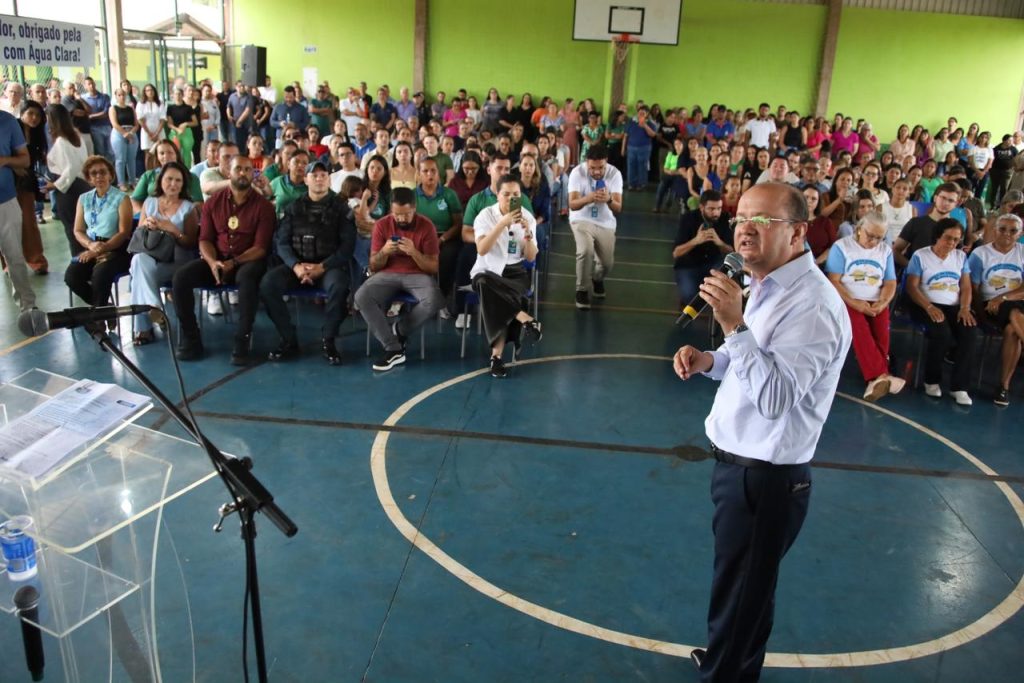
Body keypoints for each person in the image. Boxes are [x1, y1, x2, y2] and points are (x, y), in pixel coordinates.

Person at [673, 182, 851, 683]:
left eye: (763, 220)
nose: (745, 229)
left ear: (797, 233)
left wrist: (733, 325)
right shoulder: (766, 284)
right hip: (739, 468)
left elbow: (774, 398)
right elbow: (750, 359)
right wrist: (710, 360)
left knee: (743, 591)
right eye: (741, 218)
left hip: (766, 478)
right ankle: (728, 660)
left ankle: (726, 674)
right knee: (743, 587)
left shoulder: (813, 306)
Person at [172, 154, 275, 364]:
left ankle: (242, 340)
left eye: (248, 170)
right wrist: (212, 263)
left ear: (253, 175)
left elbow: (261, 248)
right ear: (229, 172)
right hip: (217, 259)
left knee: (248, 279)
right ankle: (191, 338)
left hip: (248, 261)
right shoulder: (213, 203)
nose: (243, 173)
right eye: (238, 169)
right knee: (181, 278)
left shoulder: (263, 206)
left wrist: (233, 263)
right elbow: (204, 239)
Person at [260, 160, 355, 364]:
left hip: (328, 267)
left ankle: (329, 340)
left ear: (329, 180)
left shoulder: (341, 208)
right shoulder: (293, 207)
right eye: (314, 175)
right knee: (268, 284)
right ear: (306, 180)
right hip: (297, 267)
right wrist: (296, 266)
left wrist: (322, 267)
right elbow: (282, 243)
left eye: (323, 175)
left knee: (340, 286)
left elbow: (347, 247)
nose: (319, 179)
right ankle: (288, 339)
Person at [354, 186, 444, 372]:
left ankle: (400, 330)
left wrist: (414, 252)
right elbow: (373, 266)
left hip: (418, 274)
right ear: (391, 210)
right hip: (387, 273)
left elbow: (433, 267)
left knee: (434, 300)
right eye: (397, 214)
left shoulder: (427, 226)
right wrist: (384, 252)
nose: (401, 218)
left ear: (414, 208)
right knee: (361, 296)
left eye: (406, 214)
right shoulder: (382, 225)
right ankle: (393, 348)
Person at [470, 174, 543, 378]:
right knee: (484, 283)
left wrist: (528, 236)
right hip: (488, 270)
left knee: (496, 297)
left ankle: (496, 357)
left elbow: (530, 257)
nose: (511, 198)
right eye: (506, 194)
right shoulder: (485, 216)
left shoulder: (527, 218)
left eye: (516, 194)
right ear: (497, 194)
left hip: (515, 272)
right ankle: (524, 318)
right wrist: (502, 223)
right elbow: (482, 249)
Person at [826, 211, 902, 400]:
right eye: (870, 235)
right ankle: (881, 376)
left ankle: (876, 379)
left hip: (876, 300)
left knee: (882, 333)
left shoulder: (885, 251)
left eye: (879, 238)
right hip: (847, 299)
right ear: (860, 229)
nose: (874, 242)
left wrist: (883, 302)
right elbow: (834, 281)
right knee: (860, 330)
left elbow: (890, 282)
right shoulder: (842, 247)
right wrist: (855, 303)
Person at [905, 218, 977, 404]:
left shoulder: (960, 257)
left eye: (956, 239)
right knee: (941, 333)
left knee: (969, 333)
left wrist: (965, 308)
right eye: (948, 238)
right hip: (925, 304)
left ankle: (959, 387)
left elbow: (966, 286)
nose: (952, 243)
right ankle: (931, 380)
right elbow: (912, 287)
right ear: (937, 236)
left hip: (954, 306)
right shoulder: (921, 255)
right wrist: (929, 307)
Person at [129, 161, 198, 345]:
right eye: (169, 179)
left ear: (183, 184)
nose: (173, 184)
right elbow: (139, 234)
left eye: (178, 180)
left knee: (138, 274)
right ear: (161, 181)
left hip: (177, 262)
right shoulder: (149, 203)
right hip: (151, 257)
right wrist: (147, 225)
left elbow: (191, 243)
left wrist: (173, 230)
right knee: (138, 261)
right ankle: (155, 307)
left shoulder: (189, 208)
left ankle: (143, 329)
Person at [968, 213, 1024, 406]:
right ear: (994, 230)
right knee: (1014, 313)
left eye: (1013, 230)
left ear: (1020, 234)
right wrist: (980, 315)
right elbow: (973, 289)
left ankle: (1003, 386)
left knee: (1012, 330)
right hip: (990, 305)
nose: (1007, 234)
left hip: (1013, 300)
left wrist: (1003, 297)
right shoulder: (980, 254)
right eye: (1002, 229)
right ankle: (1003, 387)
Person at [64, 156, 132, 308]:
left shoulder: (122, 198)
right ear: (88, 179)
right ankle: (105, 309)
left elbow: (124, 232)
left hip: (116, 248)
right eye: (94, 173)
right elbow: (78, 230)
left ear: (110, 175)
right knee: (72, 276)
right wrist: (90, 245)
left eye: (103, 172)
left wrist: (100, 249)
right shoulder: (84, 199)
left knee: (100, 275)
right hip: (91, 246)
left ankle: (99, 316)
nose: (99, 176)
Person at [568, 145, 623, 309]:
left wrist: (609, 199)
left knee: (606, 264)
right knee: (585, 250)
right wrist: (589, 198)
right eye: (592, 168)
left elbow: (618, 207)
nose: (597, 172)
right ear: (587, 163)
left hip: (605, 222)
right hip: (581, 219)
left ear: (606, 162)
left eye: (601, 168)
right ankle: (582, 290)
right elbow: (572, 205)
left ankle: (597, 279)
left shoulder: (615, 174)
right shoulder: (577, 173)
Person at [0, 108, 37, 312]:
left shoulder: (7, 121)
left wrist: (5, 160)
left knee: (14, 256)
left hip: (5, 200)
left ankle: (28, 307)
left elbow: (25, 159)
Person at [415, 156, 463, 310]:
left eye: (433, 171)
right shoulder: (412, 195)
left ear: (438, 173)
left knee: (448, 256)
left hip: (446, 236)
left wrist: (442, 239)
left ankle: (440, 298)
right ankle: (419, 296)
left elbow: (458, 223)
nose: (430, 174)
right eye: (425, 171)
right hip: (420, 237)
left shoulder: (449, 194)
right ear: (419, 174)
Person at [44, 104, 91, 256]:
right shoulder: (76, 136)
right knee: (84, 228)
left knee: (73, 229)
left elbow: (71, 168)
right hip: (82, 185)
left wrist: (54, 185)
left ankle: (79, 261)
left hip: (69, 189)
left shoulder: (61, 141)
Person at [671, 190, 732, 306]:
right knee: (690, 297)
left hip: (713, 263)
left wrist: (719, 243)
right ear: (701, 207)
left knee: (723, 293)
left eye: (719, 208)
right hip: (689, 265)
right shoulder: (688, 219)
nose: (716, 213)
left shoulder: (725, 219)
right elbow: (676, 253)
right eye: (711, 209)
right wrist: (696, 241)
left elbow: (732, 251)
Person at [893, 181, 961, 267]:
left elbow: (957, 257)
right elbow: (895, 250)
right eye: (943, 198)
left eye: (951, 200)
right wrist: (912, 267)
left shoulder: (956, 229)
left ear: (956, 204)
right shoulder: (916, 223)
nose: (945, 203)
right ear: (935, 198)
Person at [132, 139, 204, 212]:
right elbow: (135, 200)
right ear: (157, 157)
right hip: (151, 216)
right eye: (162, 153)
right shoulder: (148, 175)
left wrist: (182, 215)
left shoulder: (191, 177)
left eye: (170, 152)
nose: (166, 156)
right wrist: (143, 215)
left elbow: (199, 203)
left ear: (176, 154)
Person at [108, 87, 139, 189]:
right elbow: (114, 124)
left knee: (131, 159)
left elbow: (136, 124)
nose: (122, 97)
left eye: (123, 95)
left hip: (131, 133)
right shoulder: (113, 108)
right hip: (118, 134)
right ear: (116, 96)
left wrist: (131, 133)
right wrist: (124, 133)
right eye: (119, 95)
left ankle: (132, 181)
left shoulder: (131, 109)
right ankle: (121, 183)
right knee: (120, 159)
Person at [622, 106, 657, 190]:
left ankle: (641, 184)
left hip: (644, 148)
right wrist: (623, 148)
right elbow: (625, 136)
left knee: (642, 166)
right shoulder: (631, 122)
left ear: (647, 114)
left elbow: (653, 135)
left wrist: (644, 125)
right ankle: (631, 184)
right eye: (639, 112)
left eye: (643, 113)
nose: (640, 114)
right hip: (631, 147)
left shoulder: (650, 123)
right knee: (631, 166)